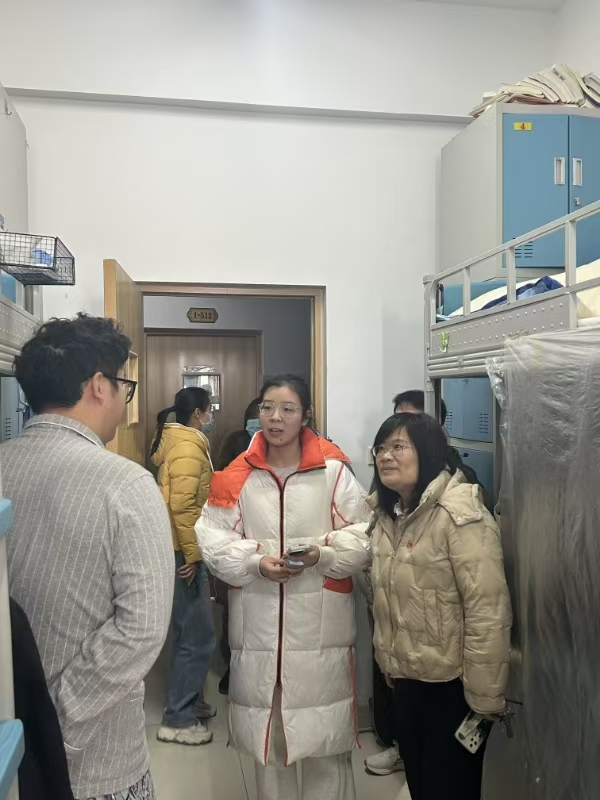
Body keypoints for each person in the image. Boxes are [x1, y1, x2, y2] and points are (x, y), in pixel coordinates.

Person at [3, 314, 174, 800]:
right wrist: (55, 724)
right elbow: (141, 630)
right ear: (99, 386)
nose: (124, 399)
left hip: (8, 744)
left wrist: (29, 725)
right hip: (97, 765)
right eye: (125, 385)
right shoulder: (126, 483)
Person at [196, 374, 371, 800]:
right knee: (271, 747)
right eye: (268, 408)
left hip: (320, 635)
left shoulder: (332, 472)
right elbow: (212, 539)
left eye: (288, 409)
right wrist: (255, 564)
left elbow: (366, 535)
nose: (276, 418)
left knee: (323, 748)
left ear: (305, 416)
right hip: (258, 631)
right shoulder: (238, 474)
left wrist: (321, 555)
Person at [369, 412, 511, 800]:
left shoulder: (459, 514)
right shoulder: (389, 516)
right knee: (421, 786)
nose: (385, 456)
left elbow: (488, 610)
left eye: (398, 446)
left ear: (429, 451)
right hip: (406, 681)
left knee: (450, 789)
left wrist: (484, 699)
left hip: (452, 690)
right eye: (380, 448)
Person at [151, 387, 217, 745]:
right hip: (183, 550)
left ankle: (187, 701)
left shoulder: (177, 441)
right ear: (198, 414)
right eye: (209, 410)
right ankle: (178, 718)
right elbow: (182, 506)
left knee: (186, 632)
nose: (211, 416)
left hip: (178, 546)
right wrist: (193, 555)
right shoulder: (189, 446)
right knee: (198, 636)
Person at [214, 397, 261, 695]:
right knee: (236, 615)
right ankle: (234, 670)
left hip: (263, 556)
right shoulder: (236, 448)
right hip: (238, 552)